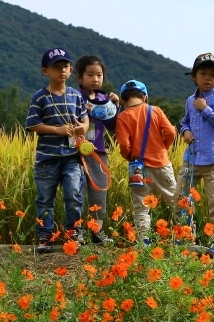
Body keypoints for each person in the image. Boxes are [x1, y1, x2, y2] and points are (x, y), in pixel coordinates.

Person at [25, 48, 88, 253]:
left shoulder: (76, 96)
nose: (62, 70)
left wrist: (83, 127)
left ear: (71, 70)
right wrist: (57, 130)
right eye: (56, 67)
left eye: (65, 66)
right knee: (45, 199)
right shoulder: (40, 97)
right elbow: (32, 124)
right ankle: (45, 236)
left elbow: (85, 119)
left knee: (74, 195)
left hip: (72, 157)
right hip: (47, 159)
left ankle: (73, 234)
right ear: (46, 71)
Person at [114, 81, 179, 243]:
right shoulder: (155, 110)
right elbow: (171, 132)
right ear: (145, 97)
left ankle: (144, 242)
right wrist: (163, 147)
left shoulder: (122, 117)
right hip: (162, 164)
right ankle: (185, 237)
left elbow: (124, 144)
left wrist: (129, 156)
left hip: (138, 168)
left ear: (123, 100)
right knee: (175, 200)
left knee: (141, 206)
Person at [179, 53, 214, 245]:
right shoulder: (190, 100)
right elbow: (184, 122)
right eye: (203, 74)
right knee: (182, 199)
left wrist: (205, 108)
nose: (208, 78)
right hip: (192, 159)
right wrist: (185, 131)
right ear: (194, 77)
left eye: (212, 75)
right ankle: (185, 239)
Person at [73, 55, 118, 245]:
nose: (95, 79)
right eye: (90, 75)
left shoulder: (104, 99)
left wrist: (115, 106)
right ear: (80, 77)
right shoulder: (73, 97)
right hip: (75, 152)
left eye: (99, 75)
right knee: (77, 191)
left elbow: (112, 125)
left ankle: (96, 231)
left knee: (99, 191)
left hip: (98, 152)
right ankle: (76, 230)